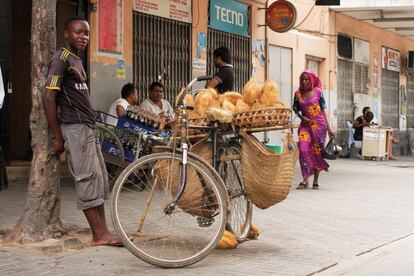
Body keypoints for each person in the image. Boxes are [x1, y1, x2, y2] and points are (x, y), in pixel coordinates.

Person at [42, 16, 122, 247]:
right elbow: (48, 97)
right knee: (86, 179)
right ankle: (98, 234)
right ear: (66, 33)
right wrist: (57, 136)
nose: (83, 37)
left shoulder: (77, 60)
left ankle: (104, 231)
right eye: (78, 32)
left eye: (86, 33)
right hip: (74, 128)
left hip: (88, 127)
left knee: (99, 179)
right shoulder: (61, 59)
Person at [293, 70, 335, 190]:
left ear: (311, 80)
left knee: (317, 153)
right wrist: (302, 117)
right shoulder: (297, 94)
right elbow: (296, 109)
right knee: (303, 148)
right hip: (305, 126)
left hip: (319, 127)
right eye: (302, 79)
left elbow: (322, 111)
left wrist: (329, 128)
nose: (304, 81)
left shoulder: (318, 92)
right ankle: (305, 179)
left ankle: (315, 180)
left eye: (307, 79)